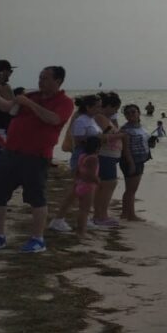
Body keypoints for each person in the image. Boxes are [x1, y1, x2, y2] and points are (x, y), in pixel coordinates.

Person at [0, 66, 75, 253]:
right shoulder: (31, 95)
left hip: (36, 157)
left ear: (58, 81)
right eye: (39, 77)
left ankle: (37, 239)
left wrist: (29, 105)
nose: (40, 81)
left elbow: (53, 119)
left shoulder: (65, 102)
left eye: (45, 78)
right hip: (10, 153)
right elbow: (8, 109)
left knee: (36, 198)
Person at [49, 93, 103, 232]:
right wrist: (97, 140)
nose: (100, 109)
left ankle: (83, 217)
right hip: (82, 156)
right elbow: (78, 141)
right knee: (76, 190)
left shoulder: (91, 119)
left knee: (82, 191)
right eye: (97, 106)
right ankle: (59, 219)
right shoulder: (81, 120)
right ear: (88, 107)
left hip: (90, 155)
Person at [92, 92, 129, 228]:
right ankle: (100, 216)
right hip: (105, 156)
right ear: (108, 106)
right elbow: (104, 136)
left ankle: (100, 215)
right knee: (108, 185)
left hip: (110, 156)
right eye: (115, 109)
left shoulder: (107, 118)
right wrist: (122, 135)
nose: (116, 112)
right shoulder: (100, 117)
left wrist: (114, 118)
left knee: (105, 185)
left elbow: (113, 129)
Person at [120, 104, 152, 221]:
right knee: (130, 190)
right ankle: (128, 215)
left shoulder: (140, 126)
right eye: (127, 113)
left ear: (139, 113)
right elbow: (125, 149)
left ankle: (127, 214)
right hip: (131, 160)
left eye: (133, 112)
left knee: (132, 190)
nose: (131, 115)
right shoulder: (125, 129)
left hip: (140, 159)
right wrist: (131, 163)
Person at [72, 136, 101, 236]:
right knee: (85, 210)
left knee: (81, 209)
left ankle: (79, 230)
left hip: (80, 184)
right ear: (97, 148)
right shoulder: (93, 159)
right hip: (88, 186)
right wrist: (98, 181)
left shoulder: (82, 156)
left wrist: (76, 181)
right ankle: (81, 231)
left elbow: (77, 170)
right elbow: (91, 174)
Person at [0, 60, 18, 165]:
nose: (10, 74)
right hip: (0, 131)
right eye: (10, 71)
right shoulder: (5, 87)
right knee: (1, 167)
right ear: (4, 71)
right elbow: (12, 108)